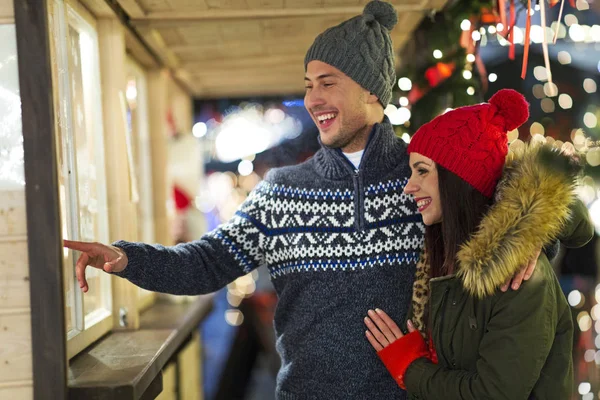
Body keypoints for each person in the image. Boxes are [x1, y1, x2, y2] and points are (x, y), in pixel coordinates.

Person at [64, 3, 537, 399]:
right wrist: (126, 258)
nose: (312, 99)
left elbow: (518, 211)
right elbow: (205, 264)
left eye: (327, 82)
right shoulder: (282, 191)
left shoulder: (427, 175)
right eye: (308, 85)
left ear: (372, 89)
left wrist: (531, 244)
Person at [364, 89, 593, 399]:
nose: (409, 186)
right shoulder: (446, 256)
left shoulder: (519, 278)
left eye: (421, 171)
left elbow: (493, 392)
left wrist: (412, 368)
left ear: (457, 178)